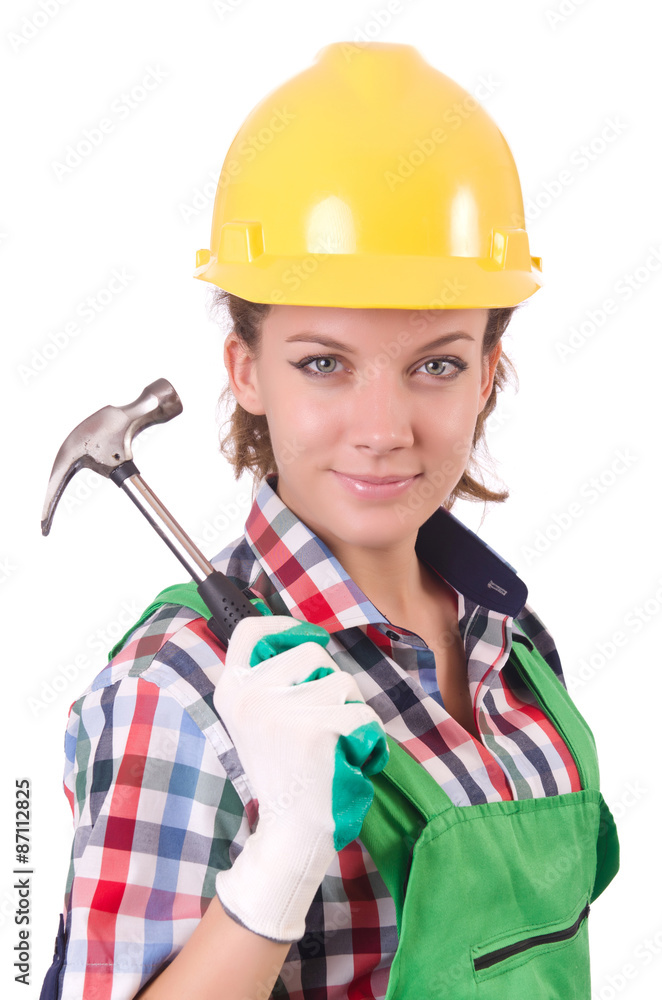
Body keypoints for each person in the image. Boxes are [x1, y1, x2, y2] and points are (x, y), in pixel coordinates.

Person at [40, 41, 619, 1000]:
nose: (383, 429)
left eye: (435, 364)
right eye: (323, 363)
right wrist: (283, 859)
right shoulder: (179, 690)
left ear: (488, 372)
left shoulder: (510, 640)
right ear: (245, 370)